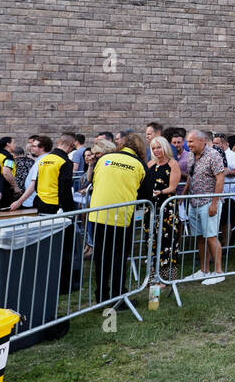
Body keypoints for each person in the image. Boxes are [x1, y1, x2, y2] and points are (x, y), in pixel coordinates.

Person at [86, 133, 151, 304]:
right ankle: (117, 296)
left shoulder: (105, 159)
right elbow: (145, 195)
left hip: (97, 214)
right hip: (121, 217)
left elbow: (93, 180)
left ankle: (101, 296)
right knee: (118, 258)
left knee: (101, 257)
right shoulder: (139, 165)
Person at [184, 130, 227, 284]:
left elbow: (220, 179)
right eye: (187, 141)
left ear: (202, 141)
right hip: (194, 203)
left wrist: (214, 203)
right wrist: (183, 196)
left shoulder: (213, 155)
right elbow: (191, 176)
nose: (188, 144)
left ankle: (218, 272)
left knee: (211, 237)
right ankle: (204, 270)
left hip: (208, 202)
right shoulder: (191, 155)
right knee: (200, 238)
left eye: (191, 141)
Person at [146, 135, 183, 283]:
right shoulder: (149, 165)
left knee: (168, 242)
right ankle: (152, 277)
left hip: (166, 208)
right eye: (153, 148)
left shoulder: (173, 164)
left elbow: (173, 187)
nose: (156, 150)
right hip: (151, 208)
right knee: (152, 242)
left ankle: (167, 278)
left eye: (159, 147)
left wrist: (160, 192)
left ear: (165, 147)